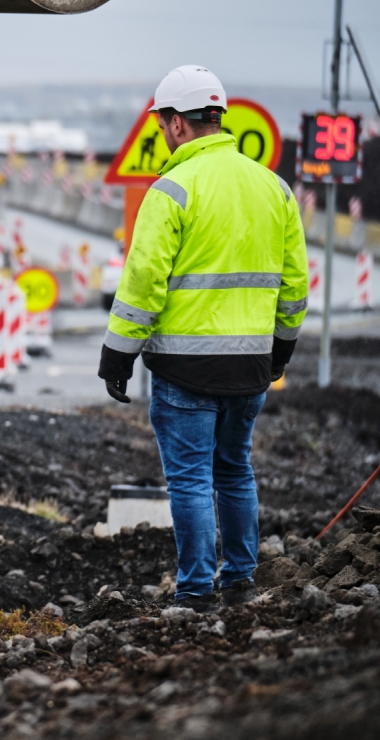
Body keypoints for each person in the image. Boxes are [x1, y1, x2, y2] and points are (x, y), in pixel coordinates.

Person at [98, 65, 309, 613]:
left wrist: (117, 356)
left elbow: (142, 284)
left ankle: (196, 591)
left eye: (161, 123)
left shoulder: (171, 189)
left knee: (190, 481)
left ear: (174, 123)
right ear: (217, 118)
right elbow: (294, 286)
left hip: (183, 370)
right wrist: (278, 351)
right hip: (251, 368)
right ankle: (240, 581)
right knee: (235, 469)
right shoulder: (275, 188)